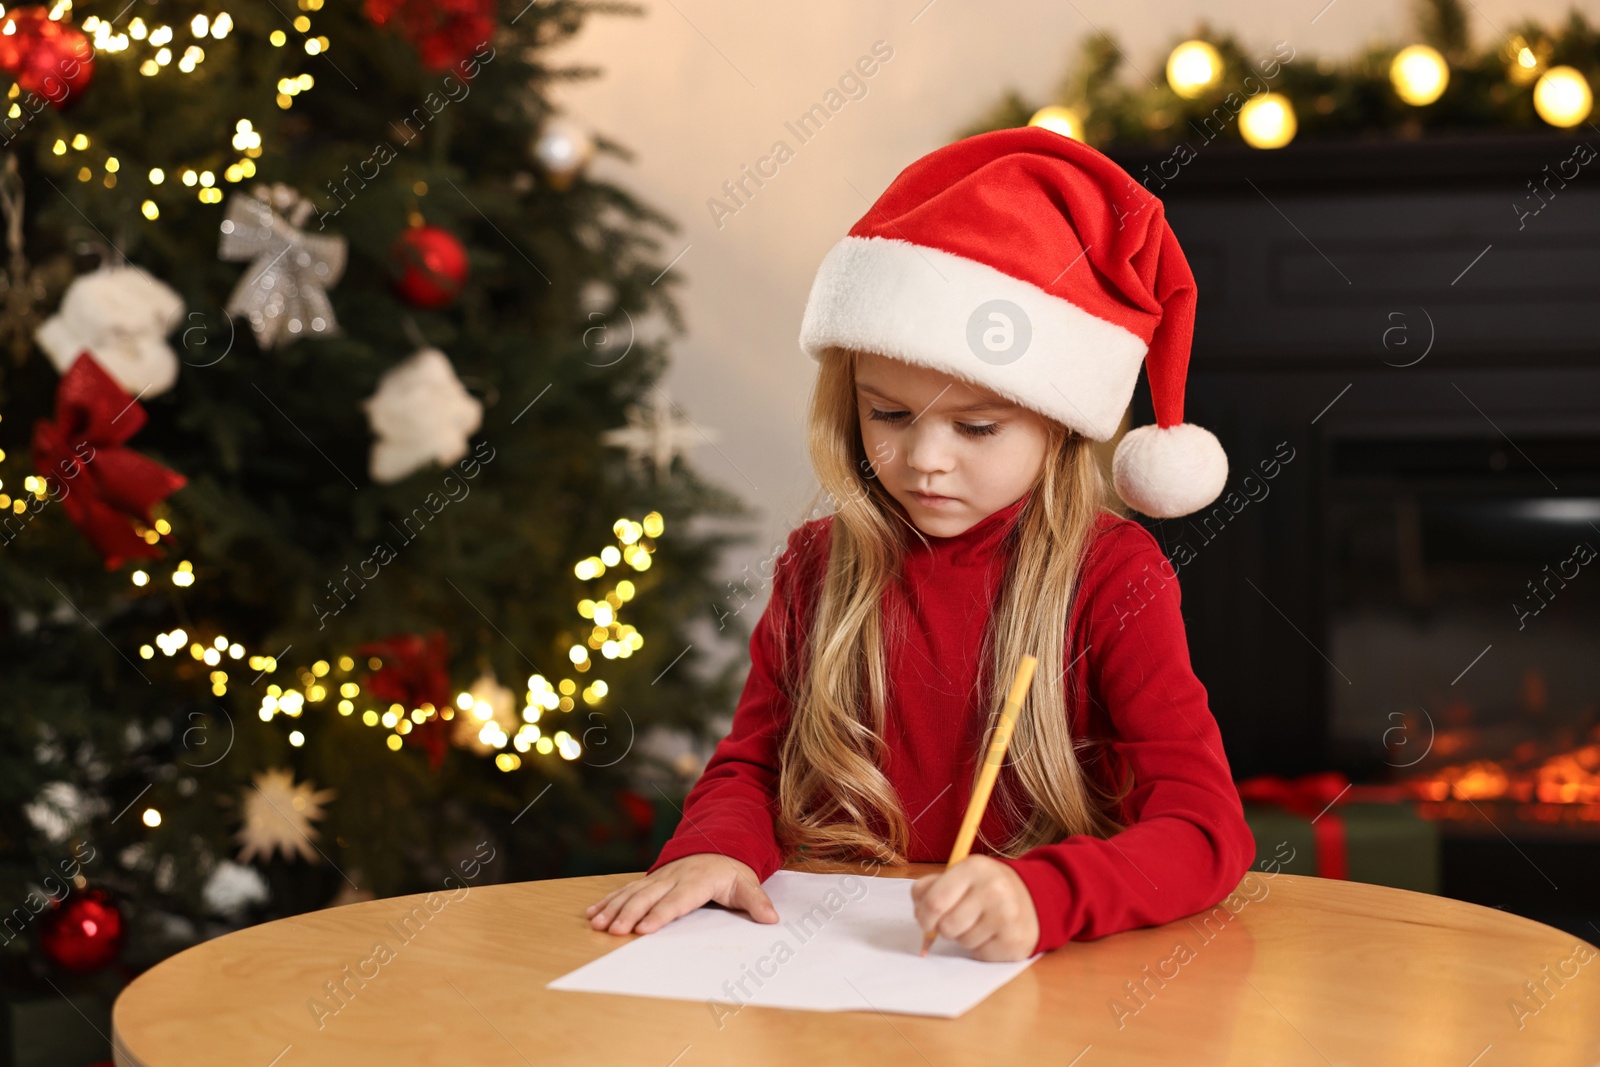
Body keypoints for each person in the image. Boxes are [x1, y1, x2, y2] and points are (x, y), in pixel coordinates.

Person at [586, 125, 1253, 961]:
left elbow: (1204, 830)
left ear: (1061, 422)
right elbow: (752, 766)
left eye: (977, 425)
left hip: (1039, 985)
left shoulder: (1112, 574)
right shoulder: (816, 565)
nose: (924, 460)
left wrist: (1043, 894)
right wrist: (713, 848)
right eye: (888, 414)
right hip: (826, 967)